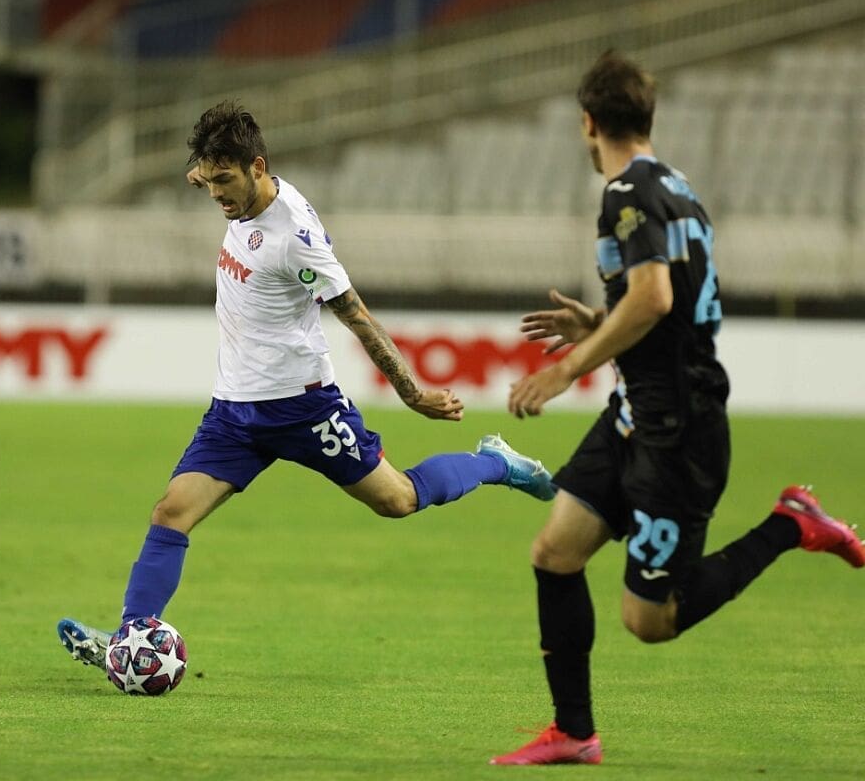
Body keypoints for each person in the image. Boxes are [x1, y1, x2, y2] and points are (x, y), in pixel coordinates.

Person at [56, 100, 555, 668]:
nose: (216, 193)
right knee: (171, 512)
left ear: (258, 167)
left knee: (398, 500)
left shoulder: (295, 238)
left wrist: (412, 393)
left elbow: (357, 316)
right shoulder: (237, 191)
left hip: (304, 408)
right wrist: (203, 171)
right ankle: (130, 639)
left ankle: (495, 463)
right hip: (234, 412)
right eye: (208, 179)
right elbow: (209, 174)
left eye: (224, 180)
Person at [491, 51, 864, 765]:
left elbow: (655, 297)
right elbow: (669, 307)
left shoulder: (624, 193)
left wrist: (569, 366)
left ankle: (790, 524)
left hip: (677, 429)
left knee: (650, 620)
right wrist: (597, 324)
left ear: (588, 123)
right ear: (648, 117)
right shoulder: (678, 188)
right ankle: (574, 733)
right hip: (637, 411)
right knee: (555, 553)